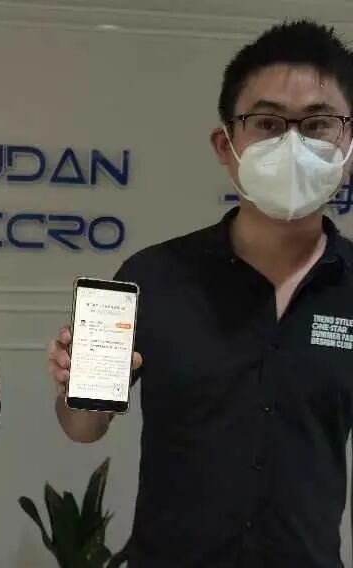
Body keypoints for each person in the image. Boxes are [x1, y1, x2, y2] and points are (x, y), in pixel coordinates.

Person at [48, 20, 353, 568]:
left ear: (347, 143)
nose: (293, 144)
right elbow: (84, 429)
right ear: (225, 145)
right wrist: (75, 392)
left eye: (317, 124)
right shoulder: (154, 276)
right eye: (267, 123)